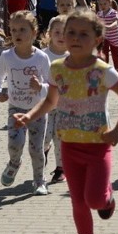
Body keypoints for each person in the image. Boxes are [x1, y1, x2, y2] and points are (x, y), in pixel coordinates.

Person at [13, 9, 118, 234]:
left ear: (97, 38)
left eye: (83, 34)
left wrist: (117, 132)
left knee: (94, 200)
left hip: (98, 145)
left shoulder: (102, 70)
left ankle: (107, 199)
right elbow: (51, 101)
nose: (76, 38)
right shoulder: (57, 68)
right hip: (69, 145)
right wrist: (30, 116)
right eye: (71, 33)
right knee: (78, 202)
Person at [0, 11, 52, 195]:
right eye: (14, 30)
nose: (17, 34)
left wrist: (40, 87)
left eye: (22, 30)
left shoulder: (41, 57)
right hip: (16, 108)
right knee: (15, 144)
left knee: (36, 148)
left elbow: (52, 85)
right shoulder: (7, 56)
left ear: (34, 33)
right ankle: (14, 163)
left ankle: (39, 180)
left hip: (38, 110)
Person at [42, 15, 69, 184]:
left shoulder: (71, 56)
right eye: (56, 32)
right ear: (49, 34)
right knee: (44, 137)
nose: (60, 36)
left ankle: (61, 168)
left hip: (64, 106)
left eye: (64, 32)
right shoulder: (41, 55)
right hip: (44, 105)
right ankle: (44, 150)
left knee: (60, 137)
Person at [95, 0, 118, 68]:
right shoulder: (99, 14)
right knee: (104, 53)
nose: (102, 6)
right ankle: (105, 68)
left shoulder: (114, 12)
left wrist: (109, 26)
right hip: (104, 37)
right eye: (100, 4)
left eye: (104, 4)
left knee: (115, 55)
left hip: (114, 37)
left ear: (109, 3)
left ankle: (116, 69)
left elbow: (116, 22)